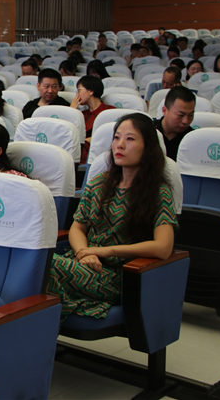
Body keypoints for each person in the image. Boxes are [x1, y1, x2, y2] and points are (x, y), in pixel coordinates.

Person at [46, 113, 176, 320]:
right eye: (116, 138)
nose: (119, 145)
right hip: (83, 262)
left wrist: (103, 251)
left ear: (148, 148)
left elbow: (163, 247)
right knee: (38, 261)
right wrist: (83, 253)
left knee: (44, 265)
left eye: (130, 139)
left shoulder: (158, 193)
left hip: (117, 275)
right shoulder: (99, 183)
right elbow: (78, 227)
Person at [71, 75, 114, 163]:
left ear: (90, 91)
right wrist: (72, 112)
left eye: (79, 90)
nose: (77, 95)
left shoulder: (110, 112)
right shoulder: (82, 114)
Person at [154, 86, 195, 160]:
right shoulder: (149, 132)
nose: (185, 121)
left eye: (190, 115)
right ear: (164, 110)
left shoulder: (193, 139)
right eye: (180, 115)